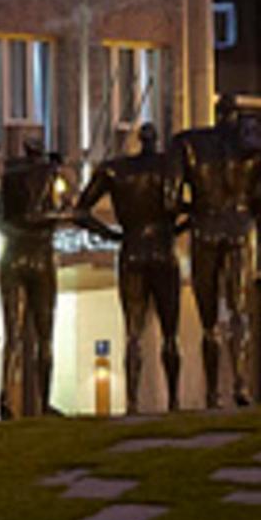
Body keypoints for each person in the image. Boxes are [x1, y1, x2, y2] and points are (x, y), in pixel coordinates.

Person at [76, 122, 193, 412]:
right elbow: (190, 205)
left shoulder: (116, 170)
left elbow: (80, 211)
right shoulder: (169, 166)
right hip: (163, 249)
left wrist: (111, 234)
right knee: (170, 332)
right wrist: (179, 228)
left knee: (133, 331)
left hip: (132, 249)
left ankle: (132, 401)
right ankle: (174, 399)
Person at [177, 108, 261, 407]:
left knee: (208, 319)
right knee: (239, 310)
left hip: (205, 226)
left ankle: (212, 392)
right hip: (239, 225)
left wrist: (193, 211)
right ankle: (240, 383)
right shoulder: (253, 147)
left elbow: (170, 198)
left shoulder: (191, 143)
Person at [0, 140, 72, 420]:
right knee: (44, 332)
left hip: (12, 255)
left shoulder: (8, 177)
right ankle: (44, 402)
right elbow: (48, 213)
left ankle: (4, 396)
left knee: (12, 333)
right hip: (39, 255)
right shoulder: (49, 173)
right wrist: (64, 211)